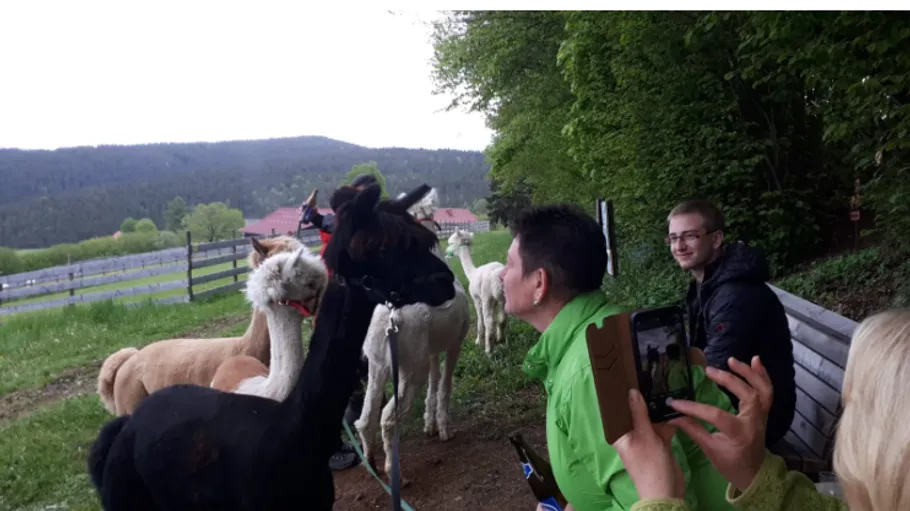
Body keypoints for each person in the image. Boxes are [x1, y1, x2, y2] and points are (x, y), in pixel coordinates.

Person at [500, 204, 739, 511]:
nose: (501, 275)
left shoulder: (594, 368)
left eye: (509, 264)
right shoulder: (600, 332)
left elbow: (659, 501)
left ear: (539, 283)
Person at [612, 308, 910, 510]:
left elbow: (718, 356)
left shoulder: (735, 294)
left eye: (853, 403)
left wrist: (659, 500)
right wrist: (754, 472)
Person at [667, 199, 796, 447]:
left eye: (690, 236)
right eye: (673, 238)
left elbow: (715, 369)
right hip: (737, 402)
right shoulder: (708, 285)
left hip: (760, 416)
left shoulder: (736, 294)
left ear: (716, 239)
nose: (679, 246)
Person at [299, 172, 380, 471]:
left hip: (355, 304)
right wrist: (313, 216)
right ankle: (333, 436)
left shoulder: (367, 226)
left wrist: (314, 217)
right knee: (334, 369)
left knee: (357, 363)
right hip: (334, 305)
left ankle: (361, 408)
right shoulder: (344, 224)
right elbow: (329, 225)